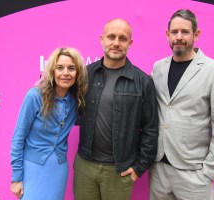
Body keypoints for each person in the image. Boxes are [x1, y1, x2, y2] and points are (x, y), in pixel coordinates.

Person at [149, 9, 214, 200]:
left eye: (185, 32)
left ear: (196, 34)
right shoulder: (158, 68)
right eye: (174, 32)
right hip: (158, 171)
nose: (179, 37)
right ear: (167, 34)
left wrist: (209, 172)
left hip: (194, 174)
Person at [73, 18, 159, 200]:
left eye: (122, 38)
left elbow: (151, 130)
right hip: (85, 167)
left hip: (119, 171)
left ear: (130, 43)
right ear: (102, 39)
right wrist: (44, 85)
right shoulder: (84, 74)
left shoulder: (143, 82)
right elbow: (61, 93)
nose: (116, 43)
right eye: (111, 37)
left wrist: (138, 168)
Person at [10, 47, 88, 199]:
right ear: (52, 71)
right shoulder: (35, 96)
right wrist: (16, 177)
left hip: (58, 170)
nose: (66, 73)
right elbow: (18, 138)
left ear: (77, 73)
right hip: (32, 169)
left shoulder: (76, 100)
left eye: (71, 68)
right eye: (60, 68)